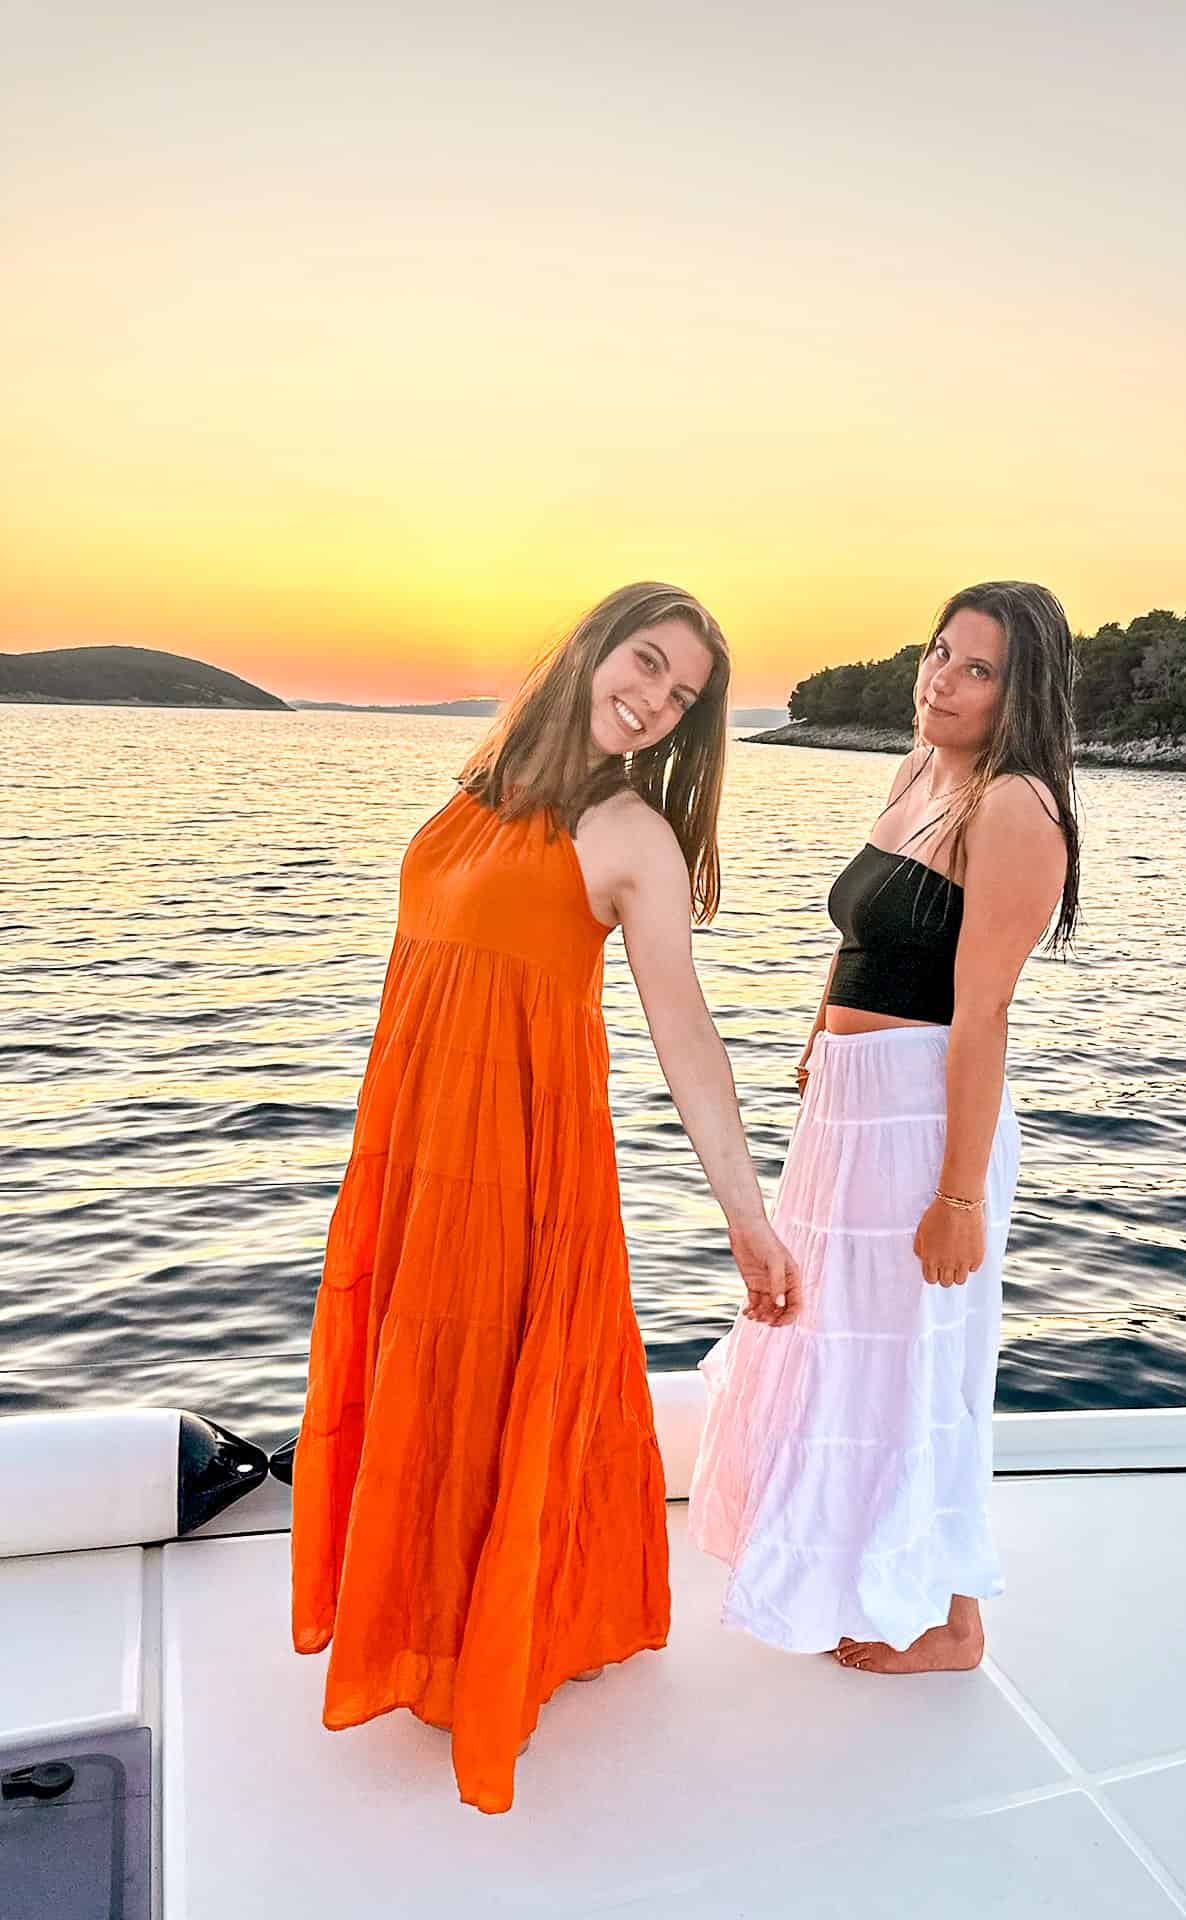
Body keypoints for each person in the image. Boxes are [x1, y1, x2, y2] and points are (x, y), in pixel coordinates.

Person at [291, 582, 799, 1814]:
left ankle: (490, 1638)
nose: (655, 700)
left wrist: (748, 1213)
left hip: (514, 1159)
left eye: (681, 696)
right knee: (426, 1378)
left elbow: (685, 1033)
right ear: (589, 648)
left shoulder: (631, 835)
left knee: (482, 1384)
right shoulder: (485, 785)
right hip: (415, 1144)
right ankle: (422, 1612)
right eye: (645, 663)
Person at [689, 581, 1079, 1674]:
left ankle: (953, 1620)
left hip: (920, 1120)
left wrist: (958, 1198)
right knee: (831, 1340)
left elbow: (982, 1013)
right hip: (851, 1111)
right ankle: (859, 1573)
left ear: (1022, 691)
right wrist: (819, 1039)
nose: (939, 681)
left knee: (918, 1354)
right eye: (938, 653)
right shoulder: (919, 772)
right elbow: (858, 933)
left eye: (976, 669)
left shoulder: (1014, 808)